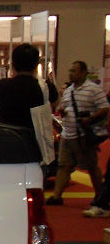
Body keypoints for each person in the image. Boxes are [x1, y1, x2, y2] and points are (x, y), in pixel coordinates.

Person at [46, 61, 109, 206]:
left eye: (74, 71)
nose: (71, 74)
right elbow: (64, 107)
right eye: (70, 71)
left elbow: (104, 108)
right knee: (64, 165)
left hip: (83, 135)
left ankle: (100, 196)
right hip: (67, 134)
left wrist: (90, 118)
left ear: (83, 72)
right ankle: (57, 196)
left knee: (91, 166)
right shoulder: (68, 91)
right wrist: (62, 112)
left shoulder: (93, 89)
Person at [0, 43, 58, 130]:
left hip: (10, 135)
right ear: (36, 64)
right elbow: (56, 102)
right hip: (34, 136)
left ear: (13, 64)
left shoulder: (3, 85)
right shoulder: (45, 86)